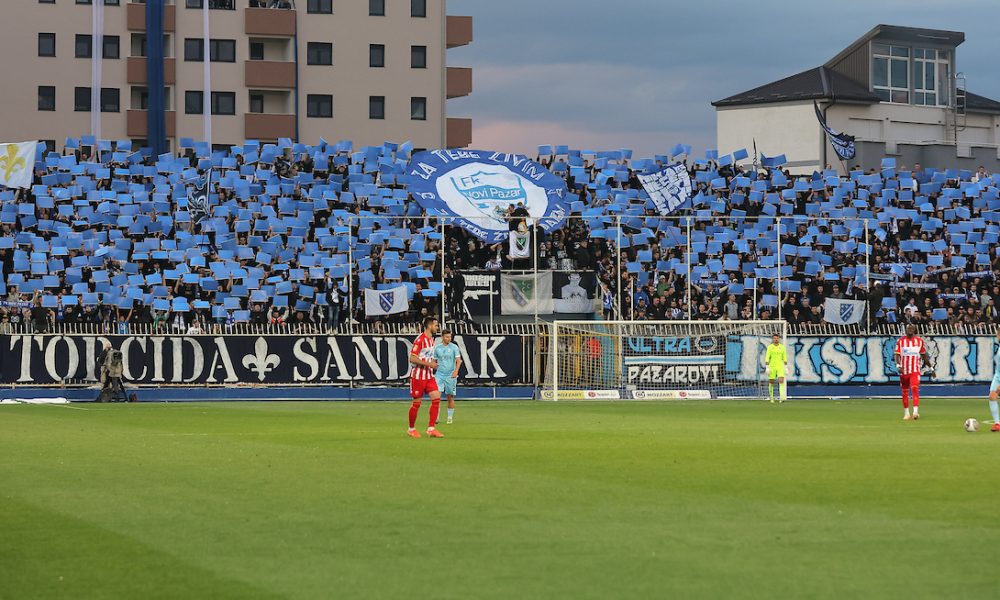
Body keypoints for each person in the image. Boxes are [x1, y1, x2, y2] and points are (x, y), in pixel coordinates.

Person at [407, 316, 444, 438]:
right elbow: (412, 358)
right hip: (418, 376)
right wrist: (430, 364)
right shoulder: (420, 340)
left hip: (428, 375)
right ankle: (411, 429)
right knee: (416, 403)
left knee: (436, 397)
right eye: (436, 325)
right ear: (429, 326)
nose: (437, 327)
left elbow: (427, 357)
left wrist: (433, 363)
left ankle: (431, 428)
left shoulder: (431, 339)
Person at [893, 324, 933, 421]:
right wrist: (898, 366)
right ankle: (906, 413)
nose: (910, 330)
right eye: (908, 328)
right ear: (906, 330)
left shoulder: (919, 341)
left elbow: (924, 356)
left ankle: (915, 412)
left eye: (912, 328)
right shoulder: (900, 341)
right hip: (904, 371)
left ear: (914, 330)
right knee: (905, 392)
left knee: (915, 388)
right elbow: (897, 355)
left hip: (915, 370)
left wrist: (931, 368)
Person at [432, 330, 462, 425]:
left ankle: (449, 417)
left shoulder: (454, 347)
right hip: (439, 375)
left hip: (450, 375)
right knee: (436, 396)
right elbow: (433, 361)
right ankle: (436, 417)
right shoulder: (437, 348)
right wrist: (433, 367)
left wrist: (456, 371)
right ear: (442, 337)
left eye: (450, 337)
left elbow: (458, 361)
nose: (449, 338)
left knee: (450, 397)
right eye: (447, 337)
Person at [764, 334, 787, 404]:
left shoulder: (782, 347)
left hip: (780, 366)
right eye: (774, 338)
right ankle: (771, 398)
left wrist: (786, 367)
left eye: (777, 338)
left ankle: (781, 398)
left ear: (779, 339)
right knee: (771, 382)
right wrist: (767, 367)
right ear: (773, 339)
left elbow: (784, 357)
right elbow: (767, 357)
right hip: (772, 366)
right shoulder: (770, 347)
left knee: (781, 381)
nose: (776, 339)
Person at [988, 329, 1000, 432]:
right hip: (998, 375)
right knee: (992, 397)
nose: (996, 336)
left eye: (998, 334)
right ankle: (997, 424)